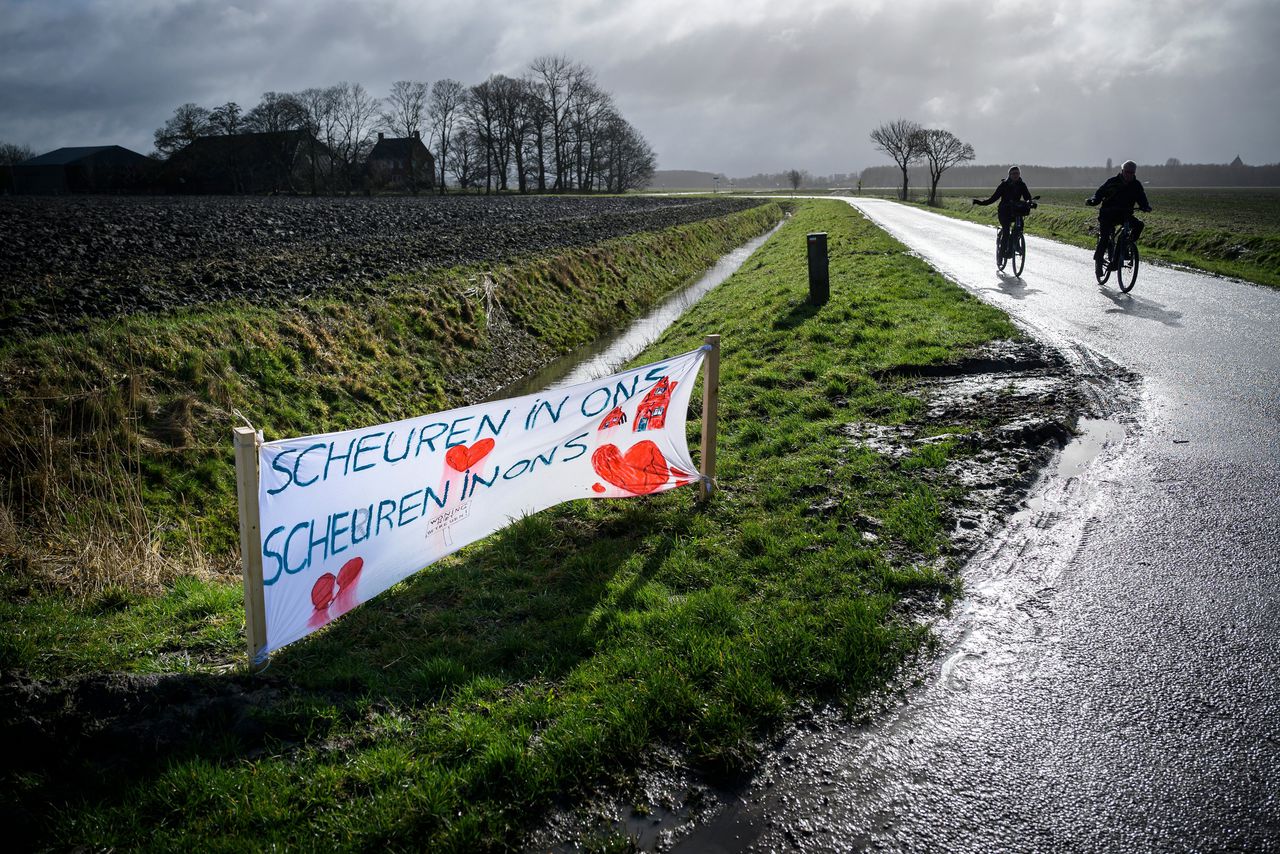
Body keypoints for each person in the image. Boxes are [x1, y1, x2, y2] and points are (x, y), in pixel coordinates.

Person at [1086, 160, 1152, 276]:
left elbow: (1142, 198)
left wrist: (1145, 206)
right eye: (1127, 172)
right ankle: (1099, 260)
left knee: (1139, 225)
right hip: (1108, 214)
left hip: (1124, 215)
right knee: (1105, 237)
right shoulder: (1112, 182)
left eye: (1132, 173)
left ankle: (1126, 245)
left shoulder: (1136, 185)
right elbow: (1099, 194)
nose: (1129, 175)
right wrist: (1093, 201)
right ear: (1122, 171)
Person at [972, 166, 1035, 257]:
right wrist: (980, 203)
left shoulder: (1022, 185)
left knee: (1019, 226)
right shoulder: (1004, 185)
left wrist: (1030, 203)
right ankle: (1002, 254)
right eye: (1014, 173)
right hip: (1004, 211)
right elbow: (993, 198)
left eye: (1017, 173)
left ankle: (1016, 243)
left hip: (1015, 210)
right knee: (1006, 231)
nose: (1016, 175)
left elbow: (1027, 197)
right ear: (1009, 175)